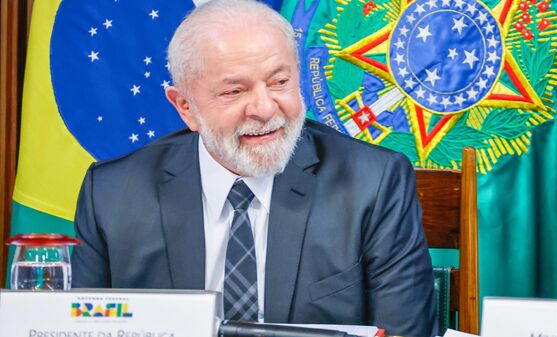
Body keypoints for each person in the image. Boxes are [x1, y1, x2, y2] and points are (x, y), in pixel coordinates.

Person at [71, 0, 436, 335]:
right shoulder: (111, 194)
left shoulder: (373, 182)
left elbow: (406, 331)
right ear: (184, 106)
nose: (264, 109)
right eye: (234, 91)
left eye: (279, 82)